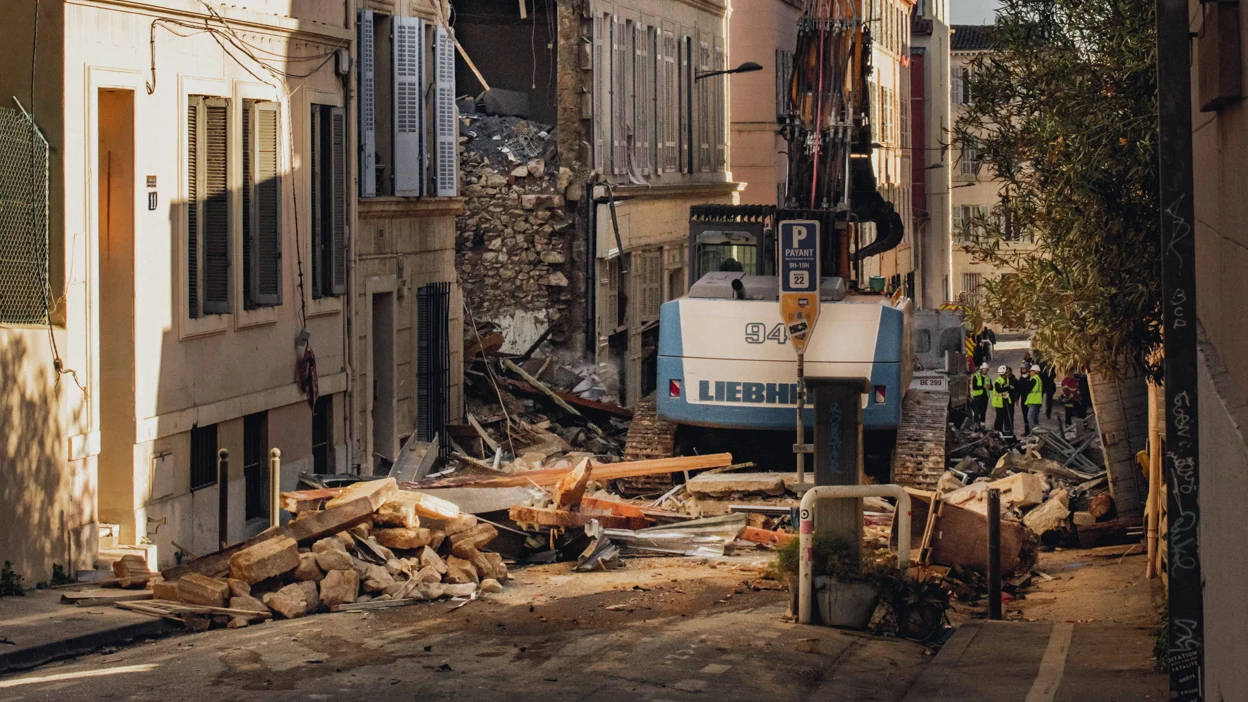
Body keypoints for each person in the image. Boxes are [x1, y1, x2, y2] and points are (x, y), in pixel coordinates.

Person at [992, 365, 1014, 436]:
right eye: (1006, 372)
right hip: (998, 401)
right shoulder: (998, 381)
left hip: (1004, 400)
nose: (1007, 374)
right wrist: (1008, 388)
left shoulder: (1006, 379)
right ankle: (996, 430)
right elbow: (999, 390)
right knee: (999, 417)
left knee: (1005, 416)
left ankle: (1001, 430)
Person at [1023, 363, 1044, 435]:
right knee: (1035, 419)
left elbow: (1027, 387)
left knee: (1030, 418)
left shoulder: (1034, 379)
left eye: (1031, 371)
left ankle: (1033, 434)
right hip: (1036, 402)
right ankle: (1038, 434)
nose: (1030, 372)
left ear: (1035, 371)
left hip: (1034, 402)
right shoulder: (1038, 379)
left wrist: (1024, 380)